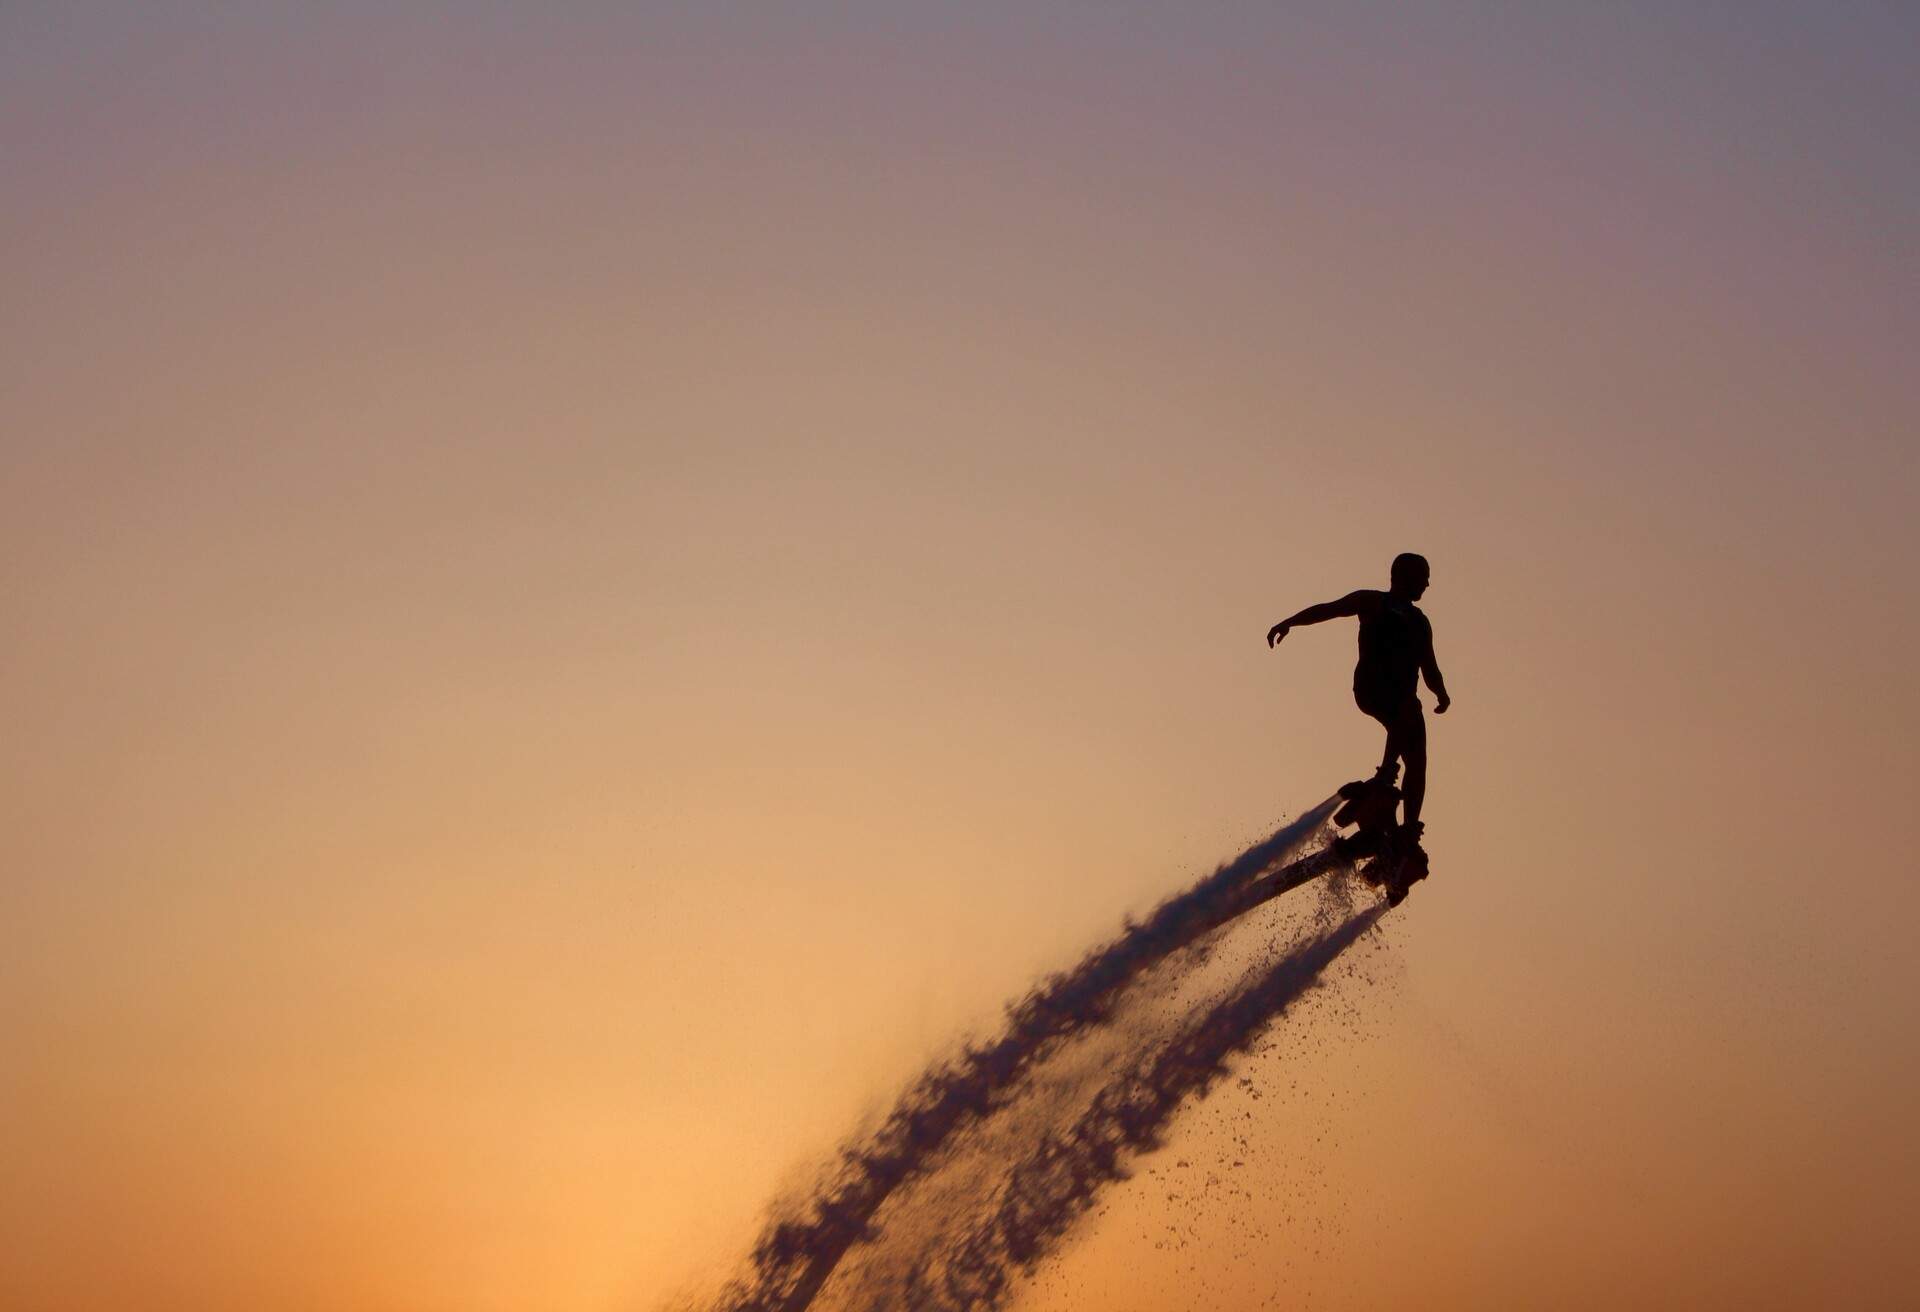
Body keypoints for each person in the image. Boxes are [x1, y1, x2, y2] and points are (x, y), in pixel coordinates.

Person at [1267, 553, 1450, 838]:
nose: (1427, 583)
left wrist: (1441, 694)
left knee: (1418, 753)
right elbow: (1328, 610)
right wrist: (1290, 622)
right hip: (1372, 689)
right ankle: (1384, 779)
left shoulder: (1420, 622)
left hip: (1403, 701)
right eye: (1423, 576)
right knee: (1408, 708)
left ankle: (1408, 831)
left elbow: (1430, 667)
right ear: (1404, 576)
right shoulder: (1373, 601)